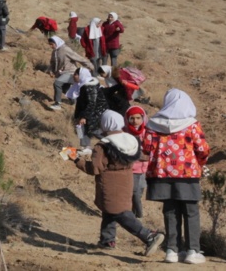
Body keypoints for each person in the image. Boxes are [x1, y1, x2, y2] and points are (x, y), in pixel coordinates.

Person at [70, 110, 165, 255]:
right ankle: (107, 240)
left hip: (110, 183)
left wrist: (76, 159)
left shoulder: (103, 145)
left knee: (118, 212)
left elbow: (94, 168)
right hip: (127, 180)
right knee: (110, 210)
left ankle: (148, 236)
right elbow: (141, 156)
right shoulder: (130, 140)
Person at [143, 89, 210, 265]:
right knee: (191, 212)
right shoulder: (192, 124)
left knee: (170, 211)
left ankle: (172, 250)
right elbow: (203, 149)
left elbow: (146, 148)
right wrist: (199, 164)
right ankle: (192, 251)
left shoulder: (152, 124)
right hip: (187, 174)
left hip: (162, 174)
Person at [70, 67, 108, 156]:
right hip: (88, 111)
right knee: (82, 128)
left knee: (94, 130)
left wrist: (84, 116)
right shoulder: (81, 85)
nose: (73, 76)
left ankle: (112, 142)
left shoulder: (90, 86)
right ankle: (85, 147)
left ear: (81, 75)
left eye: (75, 74)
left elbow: (92, 103)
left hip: (96, 112)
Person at [48, 36, 93, 111]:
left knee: (57, 83)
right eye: (49, 44)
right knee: (65, 89)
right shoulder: (55, 51)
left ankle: (57, 104)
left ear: (56, 43)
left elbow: (78, 58)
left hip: (71, 72)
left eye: (52, 44)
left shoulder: (65, 49)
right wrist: (52, 71)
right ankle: (74, 101)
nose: (51, 46)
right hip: (62, 73)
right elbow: (52, 62)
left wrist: (90, 66)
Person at [124, 105, 150, 218]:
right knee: (134, 193)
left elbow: (151, 149)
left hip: (144, 169)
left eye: (138, 118)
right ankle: (139, 215)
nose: (135, 121)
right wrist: (139, 155)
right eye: (132, 118)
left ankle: (133, 216)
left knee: (138, 193)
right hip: (132, 168)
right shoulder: (125, 132)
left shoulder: (147, 132)